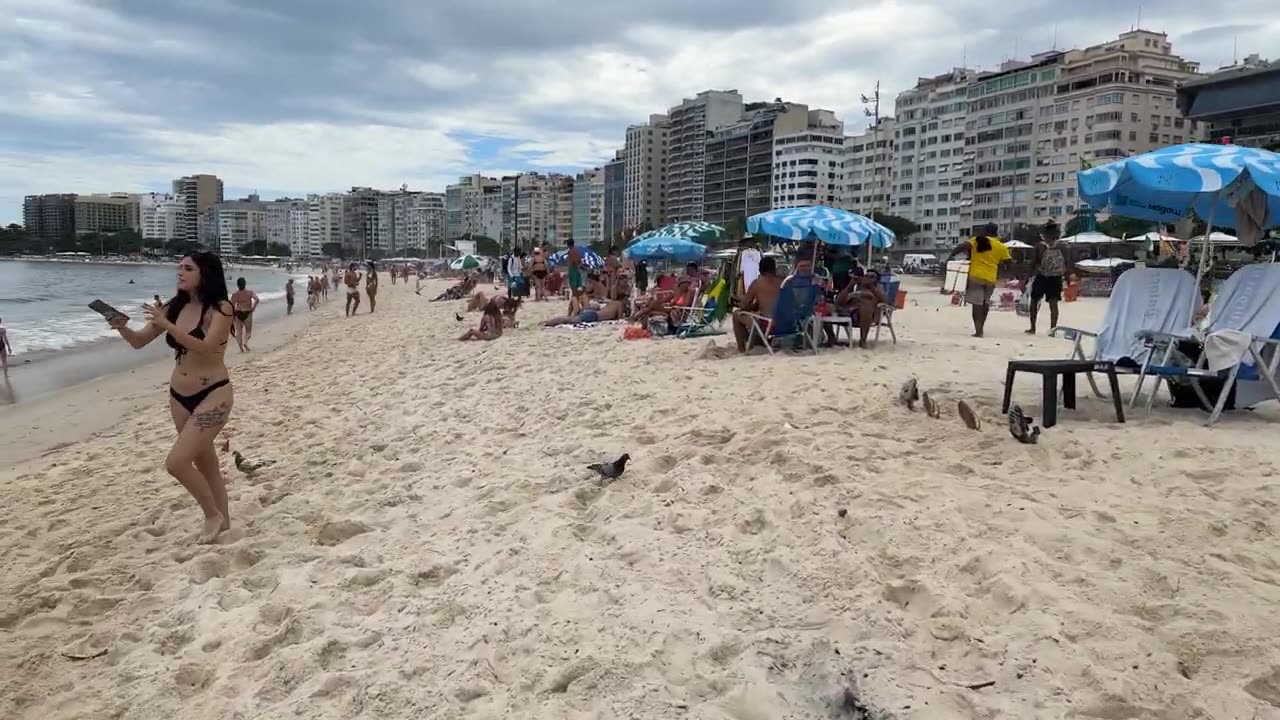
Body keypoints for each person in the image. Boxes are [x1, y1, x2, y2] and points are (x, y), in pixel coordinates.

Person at [106, 252, 234, 544]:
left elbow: (205, 347)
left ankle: (211, 515)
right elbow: (139, 341)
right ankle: (224, 523)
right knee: (206, 464)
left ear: (206, 273)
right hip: (179, 396)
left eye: (188, 268)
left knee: (176, 463)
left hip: (214, 393)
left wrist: (166, 325)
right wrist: (122, 327)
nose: (180, 272)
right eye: (179, 268)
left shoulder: (221, 308)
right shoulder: (173, 307)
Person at [946, 223, 1012, 338]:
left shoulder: (977, 240)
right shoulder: (1001, 246)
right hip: (991, 278)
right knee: (985, 303)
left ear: (985, 231)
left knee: (977, 304)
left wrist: (951, 255)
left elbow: (962, 246)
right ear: (996, 233)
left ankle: (978, 331)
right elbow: (1009, 263)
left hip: (975, 277)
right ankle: (981, 328)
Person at [732, 257, 784, 352]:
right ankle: (757, 341)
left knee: (736, 314)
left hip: (768, 324)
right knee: (755, 319)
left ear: (760, 270)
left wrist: (752, 307)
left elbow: (743, 306)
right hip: (785, 323)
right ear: (774, 268)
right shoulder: (784, 281)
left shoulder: (757, 283)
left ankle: (741, 349)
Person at [1027, 219, 1066, 335]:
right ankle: (1053, 329)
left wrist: (1028, 276)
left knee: (1034, 302)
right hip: (1056, 278)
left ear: (1045, 233)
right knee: (1053, 305)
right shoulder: (1062, 246)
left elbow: (1033, 262)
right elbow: (1068, 262)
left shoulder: (1040, 246)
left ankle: (1033, 328)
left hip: (1041, 276)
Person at [230, 277, 260, 352]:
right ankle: (245, 342)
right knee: (248, 331)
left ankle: (241, 348)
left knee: (238, 332)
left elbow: (232, 306)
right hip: (247, 312)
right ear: (245, 284)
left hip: (238, 313)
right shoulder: (250, 292)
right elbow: (257, 299)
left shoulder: (235, 294)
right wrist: (253, 307)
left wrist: (233, 316)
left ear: (237, 285)